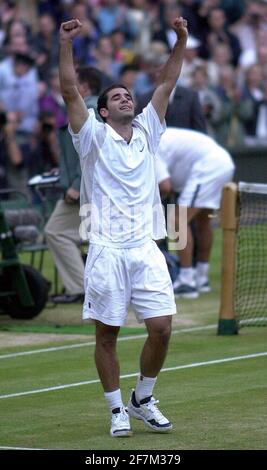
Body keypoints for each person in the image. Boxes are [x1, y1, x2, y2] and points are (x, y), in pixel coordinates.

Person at [58, 17, 188, 437]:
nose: (126, 100)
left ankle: (142, 399)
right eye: (117, 97)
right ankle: (116, 409)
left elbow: (166, 82)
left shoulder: (149, 128)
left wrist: (181, 40)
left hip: (146, 246)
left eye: (128, 95)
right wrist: (65, 44)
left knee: (162, 327)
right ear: (102, 110)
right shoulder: (91, 136)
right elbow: (67, 91)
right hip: (106, 247)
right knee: (108, 333)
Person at [44, 66, 103, 304]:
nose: (64, 86)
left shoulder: (89, 109)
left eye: (71, 82)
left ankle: (81, 288)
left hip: (85, 188)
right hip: (89, 186)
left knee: (56, 231)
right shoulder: (93, 107)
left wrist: (77, 183)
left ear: (85, 86)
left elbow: (94, 151)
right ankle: (90, 288)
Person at [155, 127, 235, 299]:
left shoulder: (150, 144)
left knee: (177, 220)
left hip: (208, 167)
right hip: (223, 163)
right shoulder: (158, 138)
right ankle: (201, 278)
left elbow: (165, 187)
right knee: (203, 220)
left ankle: (186, 281)